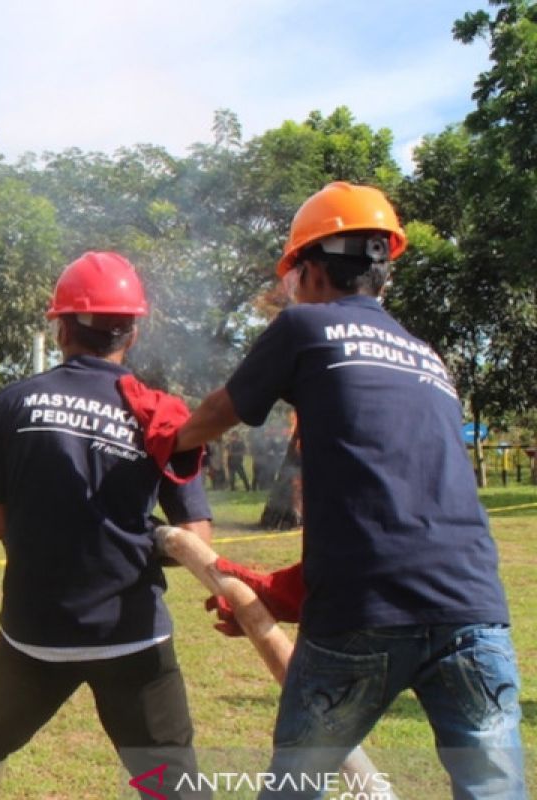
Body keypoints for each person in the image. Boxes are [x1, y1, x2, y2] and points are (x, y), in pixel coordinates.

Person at [172, 182, 525, 798]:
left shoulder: (305, 328)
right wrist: (290, 587)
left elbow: (219, 413)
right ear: (381, 273)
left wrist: (166, 443)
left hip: (363, 614)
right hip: (473, 608)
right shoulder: (428, 357)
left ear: (308, 271)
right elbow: (399, 502)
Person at [0, 251, 212, 799]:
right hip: (133, 636)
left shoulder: (13, 403)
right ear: (133, 332)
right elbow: (198, 542)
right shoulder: (161, 412)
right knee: (172, 786)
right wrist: (141, 536)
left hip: (34, 634)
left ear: (63, 325)